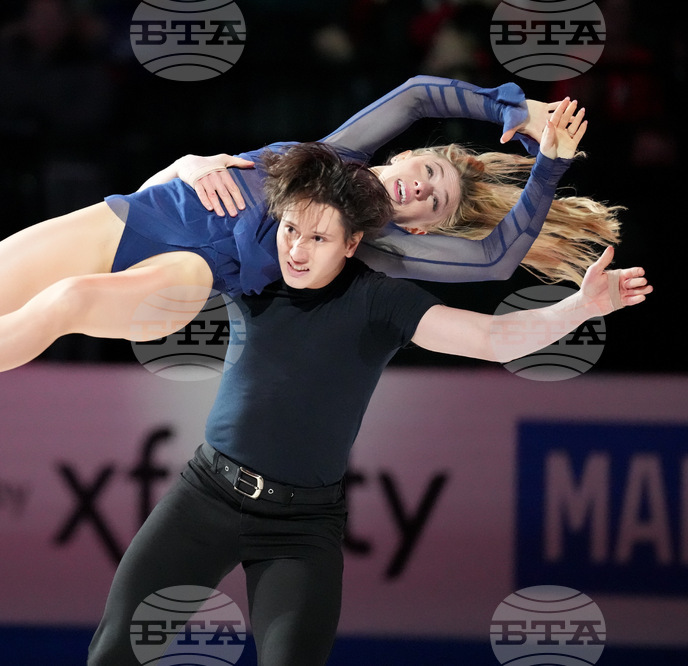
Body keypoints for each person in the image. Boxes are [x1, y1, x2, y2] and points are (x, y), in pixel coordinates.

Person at [0, 75, 594, 445]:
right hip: (144, 212)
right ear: (406, 159)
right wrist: (512, 109)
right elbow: (422, 93)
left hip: (196, 272)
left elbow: (494, 260)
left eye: (431, 203)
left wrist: (548, 168)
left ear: (424, 226)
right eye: (424, 174)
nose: (417, 192)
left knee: (67, 301)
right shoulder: (341, 150)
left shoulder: (379, 244)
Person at [85, 142, 651, 665]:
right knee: (113, 653)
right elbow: (147, 218)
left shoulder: (380, 301)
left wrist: (579, 308)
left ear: (352, 243)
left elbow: (492, 339)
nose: (296, 250)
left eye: (319, 239)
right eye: (290, 230)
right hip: (205, 496)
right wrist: (185, 165)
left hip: (300, 529)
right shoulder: (252, 268)